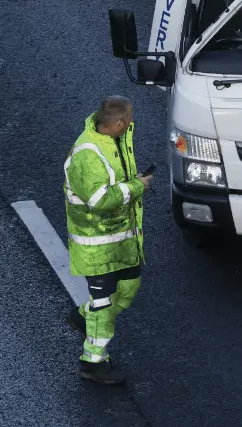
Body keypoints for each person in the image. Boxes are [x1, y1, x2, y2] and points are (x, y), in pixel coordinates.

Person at [63, 95, 153, 385]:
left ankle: (83, 317)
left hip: (121, 242)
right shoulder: (88, 155)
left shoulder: (116, 139)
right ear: (116, 124)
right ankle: (93, 362)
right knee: (103, 305)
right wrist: (137, 186)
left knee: (127, 290)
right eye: (128, 119)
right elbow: (100, 201)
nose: (132, 123)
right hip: (95, 246)